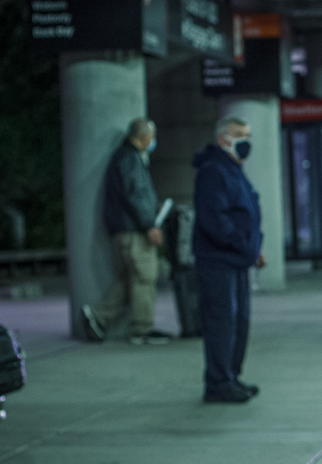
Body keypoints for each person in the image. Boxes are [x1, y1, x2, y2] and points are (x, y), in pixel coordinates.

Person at [192, 116, 266, 403]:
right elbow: (215, 219)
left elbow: (246, 212)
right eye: (239, 134)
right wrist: (241, 244)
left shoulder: (234, 169)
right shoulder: (213, 171)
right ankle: (219, 382)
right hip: (218, 261)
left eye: (248, 134)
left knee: (239, 323)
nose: (246, 140)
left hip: (237, 260)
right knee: (222, 323)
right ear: (223, 139)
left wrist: (253, 248)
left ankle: (231, 377)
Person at [82, 118, 174, 345]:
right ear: (144, 137)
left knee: (131, 280)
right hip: (134, 233)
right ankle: (141, 330)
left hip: (125, 231)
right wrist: (149, 225)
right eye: (151, 138)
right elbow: (135, 194)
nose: (153, 142)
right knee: (144, 278)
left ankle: (97, 315)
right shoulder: (130, 159)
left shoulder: (123, 158)